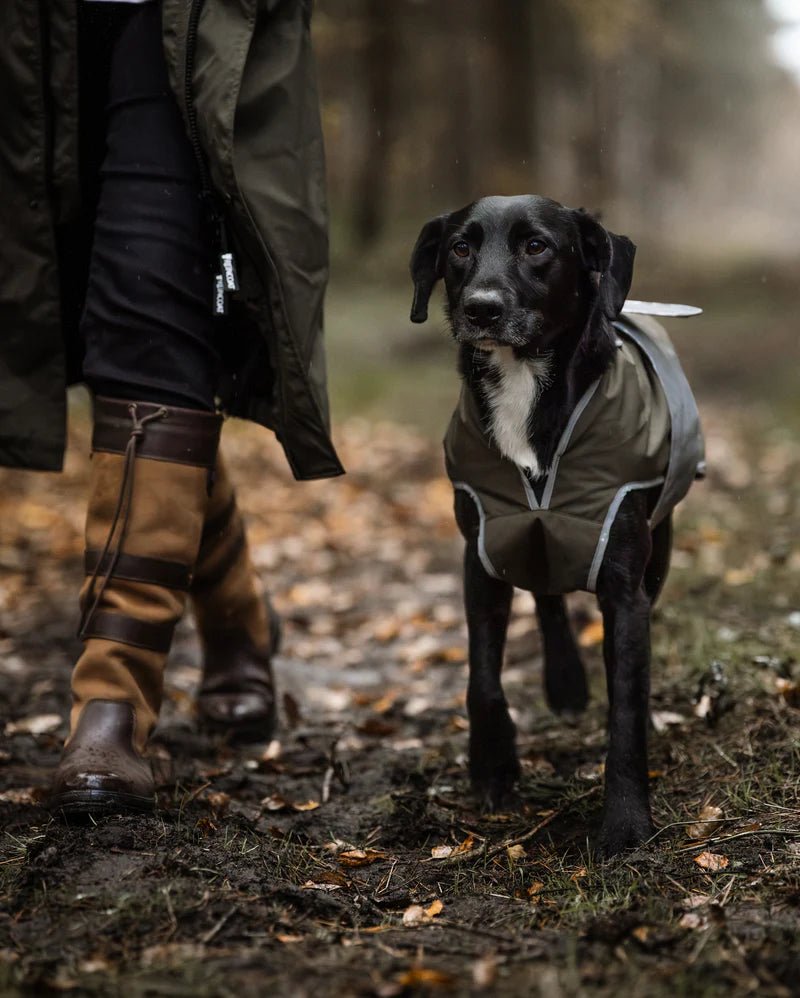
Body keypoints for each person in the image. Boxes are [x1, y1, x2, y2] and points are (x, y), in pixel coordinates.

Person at [0, 0, 343, 817]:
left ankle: (110, 709)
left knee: (148, 324)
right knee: (81, 338)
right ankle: (237, 620)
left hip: (178, 29)